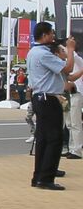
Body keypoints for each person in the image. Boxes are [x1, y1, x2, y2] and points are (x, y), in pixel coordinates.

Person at [26, 23, 75, 189]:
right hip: (48, 99)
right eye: (52, 33)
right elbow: (67, 67)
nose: (54, 36)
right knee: (55, 139)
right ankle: (46, 178)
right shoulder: (44, 54)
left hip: (40, 98)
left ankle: (38, 176)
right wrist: (70, 49)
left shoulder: (34, 51)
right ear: (45, 35)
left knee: (43, 139)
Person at [66, 51, 83, 159]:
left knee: (75, 122)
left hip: (76, 94)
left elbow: (74, 56)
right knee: (69, 123)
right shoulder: (64, 63)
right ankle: (71, 147)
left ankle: (77, 149)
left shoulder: (78, 61)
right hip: (66, 95)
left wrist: (69, 48)